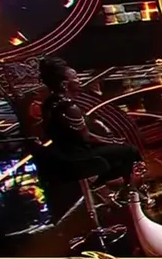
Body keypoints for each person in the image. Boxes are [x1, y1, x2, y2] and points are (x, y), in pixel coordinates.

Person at [38, 57, 142, 185]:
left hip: (64, 155)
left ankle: (107, 184)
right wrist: (112, 141)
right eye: (76, 78)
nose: (79, 81)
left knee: (115, 152)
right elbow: (87, 137)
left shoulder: (48, 104)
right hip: (79, 156)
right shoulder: (70, 108)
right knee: (130, 150)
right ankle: (126, 186)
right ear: (64, 84)